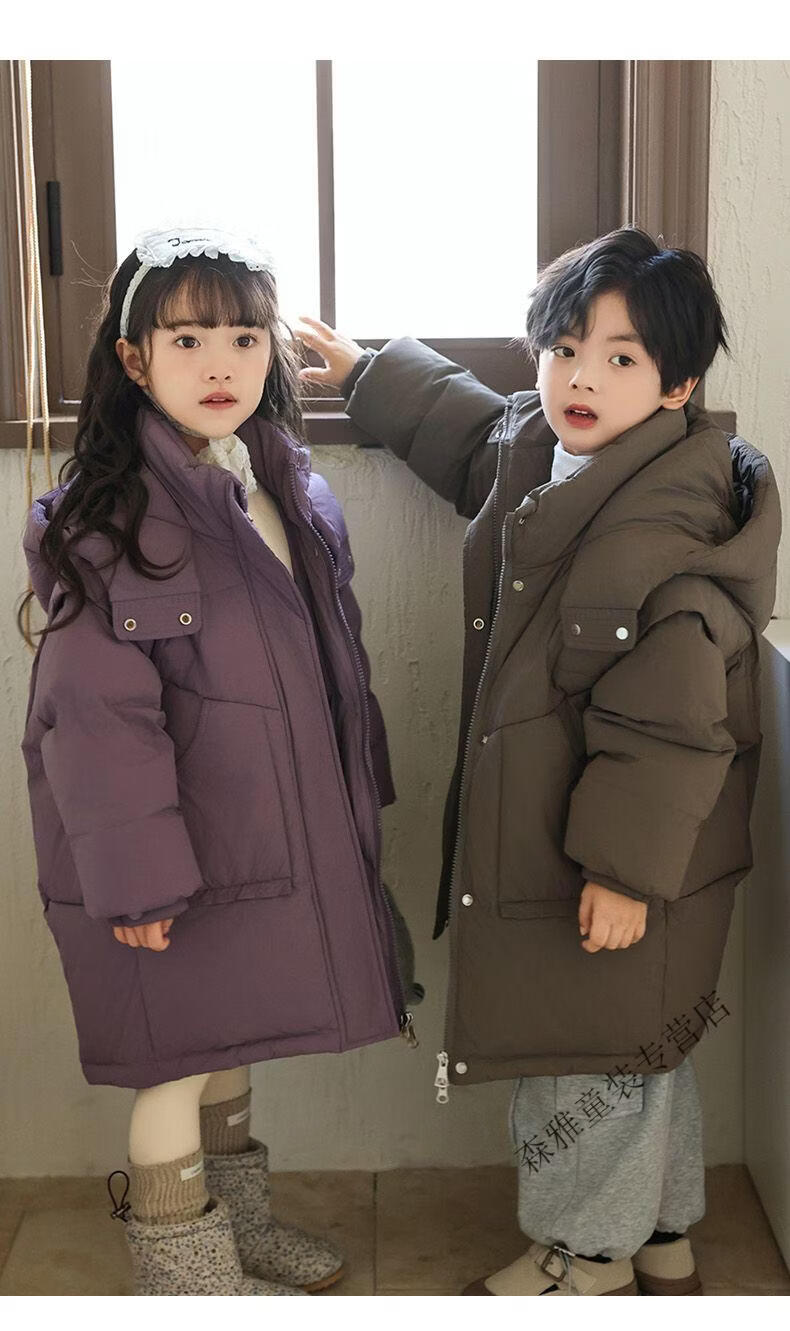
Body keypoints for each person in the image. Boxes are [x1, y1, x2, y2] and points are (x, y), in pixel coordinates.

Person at [297, 226, 782, 1296]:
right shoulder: (552, 451)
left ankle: (586, 1253)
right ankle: (659, 1230)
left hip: (609, 859)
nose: (580, 378)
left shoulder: (663, 524)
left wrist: (622, 871)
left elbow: (669, 723)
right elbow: (477, 437)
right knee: (638, 1043)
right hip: (574, 841)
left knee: (579, 1057)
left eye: (619, 357)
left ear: (678, 385)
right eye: (564, 348)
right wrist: (367, 372)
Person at [18, 226, 420, 1297]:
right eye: (187, 338)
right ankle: (187, 1275)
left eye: (245, 337)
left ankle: (236, 1232)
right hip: (169, 863)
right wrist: (137, 879)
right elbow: (95, 721)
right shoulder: (110, 524)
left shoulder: (285, 492)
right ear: (134, 358)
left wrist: (354, 800)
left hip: (256, 843)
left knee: (234, 1035)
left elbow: (332, 672)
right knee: (174, 1061)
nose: (220, 364)